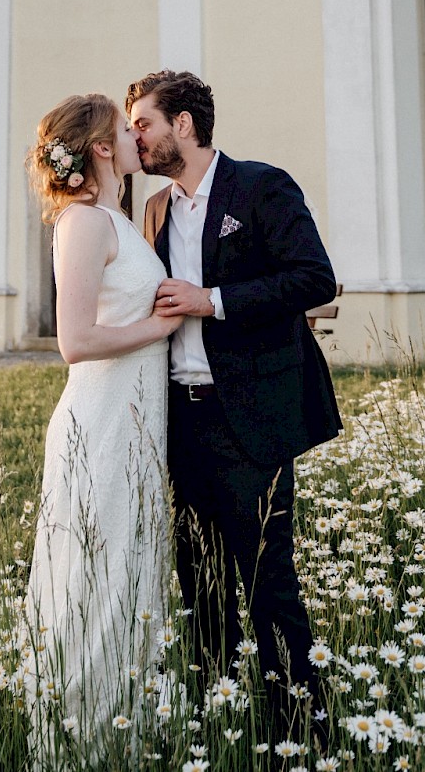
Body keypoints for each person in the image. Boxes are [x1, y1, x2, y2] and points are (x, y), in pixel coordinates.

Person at [126, 69, 341, 738]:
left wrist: (210, 301)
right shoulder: (155, 210)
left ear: (182, 125)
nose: (135, 136)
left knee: (268, 583)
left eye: (144, 123)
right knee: (202, 583)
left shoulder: (261, 186)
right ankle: (218, 720)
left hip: (253, 418)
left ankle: (301, 728)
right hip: (184, 421)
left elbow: (314, 277)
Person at [23, 92, 182, 760]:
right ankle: (84, 735)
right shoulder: (83, 221)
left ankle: (132, 726)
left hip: (136, 420)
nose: (135, 137)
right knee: (101, 571)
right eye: (126, 128)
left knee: (134, 568)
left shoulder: (115, 217)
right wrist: (161, 324)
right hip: (102, 420)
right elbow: (75, 338)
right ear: (100, 148)